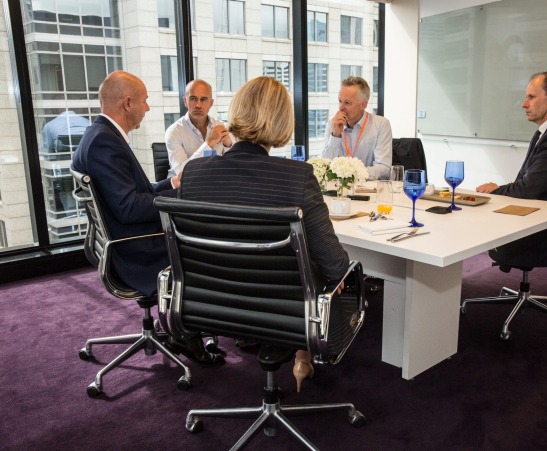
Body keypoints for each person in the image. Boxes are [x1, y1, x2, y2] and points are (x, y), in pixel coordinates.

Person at [179, 76, 352, 392]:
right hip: (285, 312)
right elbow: (335, 266)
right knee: (340, 279)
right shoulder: (297, 177)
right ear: (282, 121)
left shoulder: (194, 174)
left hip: (214, 305)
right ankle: (304, 355)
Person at [71, 70, 223, 365]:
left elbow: (133, 193)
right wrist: (175, 201)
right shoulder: (105, 142)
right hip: (134, 249)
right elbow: (129, 207)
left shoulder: (100, 135)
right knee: (209, 249)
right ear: (128, 103)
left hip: (121, 240)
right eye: (145, 101)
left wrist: (171, 185)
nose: (148, 108)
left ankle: (184, 326)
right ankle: (186, 332)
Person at [476, 71, 547, 266]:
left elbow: (529, 189)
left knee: (473, 217)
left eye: (531, 97)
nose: (524, 104)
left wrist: (496, 190)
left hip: (540, 230)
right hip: (536, 218)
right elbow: (532, 185)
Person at [323, 76, 393, 180]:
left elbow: (384, 168)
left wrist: (352, 173)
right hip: (340, 191)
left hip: (369, 191)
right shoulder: (332, 124)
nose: (341, 107)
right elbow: (326, 166)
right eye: (340, 101)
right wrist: (335, 136)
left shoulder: (381, 124)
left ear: (363, 104)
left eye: (347, 103)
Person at [165, 79, 234, 176]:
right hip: (185, 187)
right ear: (185, 101)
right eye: (193, 99)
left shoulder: (224, 127)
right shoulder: (174, 131)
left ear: (211, 103)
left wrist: (228, 145)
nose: (198, 105)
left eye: (203, 99)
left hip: (213, 184)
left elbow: (234, 166)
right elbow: (182, 173)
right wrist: (208, 143)